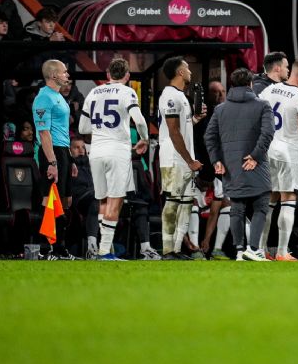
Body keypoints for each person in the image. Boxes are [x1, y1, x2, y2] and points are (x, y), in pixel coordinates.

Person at [78, 58, 151, 261]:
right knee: (115, 200)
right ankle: (104, 253)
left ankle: (105, 250)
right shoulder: (127, 92)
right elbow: (140, 120)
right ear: (127, 76)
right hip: (117, 151)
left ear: (108, 75)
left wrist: (101, 131)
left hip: (97, 152)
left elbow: (83, 128)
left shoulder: (93, 92)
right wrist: (144, 139)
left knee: (102, 200)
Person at [205, 68, 275, 262]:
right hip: (255, 164)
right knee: (261, 205)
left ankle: (238, 251)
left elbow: (209, 137)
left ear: (232, 86)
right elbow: (268, 133)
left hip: (231, 166)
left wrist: (216, 160)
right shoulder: (262, 105)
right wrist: (255, 156)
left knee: (237, 207)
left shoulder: (220, 109)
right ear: (251, 84)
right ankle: (253, 249)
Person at [258, 58, 298, 261]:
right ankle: (282, 252)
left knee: (270, 200)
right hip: (289, 152)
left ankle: (261, 250)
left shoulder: (268, 90)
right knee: (288, 198)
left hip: (267, 150)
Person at [158, 57, 206, 260]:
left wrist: (195, 119)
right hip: (174, 158)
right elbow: (173, 132)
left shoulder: (181, 96)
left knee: (186, 202)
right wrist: (189, 161)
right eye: (187, 68)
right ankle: (168, 249)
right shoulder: (169, 96)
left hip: (184, 158)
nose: (190, 72)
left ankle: (177, 248)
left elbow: (183, 129)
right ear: (179, 72)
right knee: (172, 201)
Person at [33, 59, 77, 259]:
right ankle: (45, 248)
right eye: (64, 72)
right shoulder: (43, 99)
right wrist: (52, 162)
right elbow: (44, 133)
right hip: (51, 153)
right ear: (53, 75)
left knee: (66, 200)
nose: (67, 75)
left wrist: (70, 159)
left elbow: (62, 130)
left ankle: (61, 247)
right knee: (50, 198)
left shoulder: (59, 97)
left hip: (63, 151)